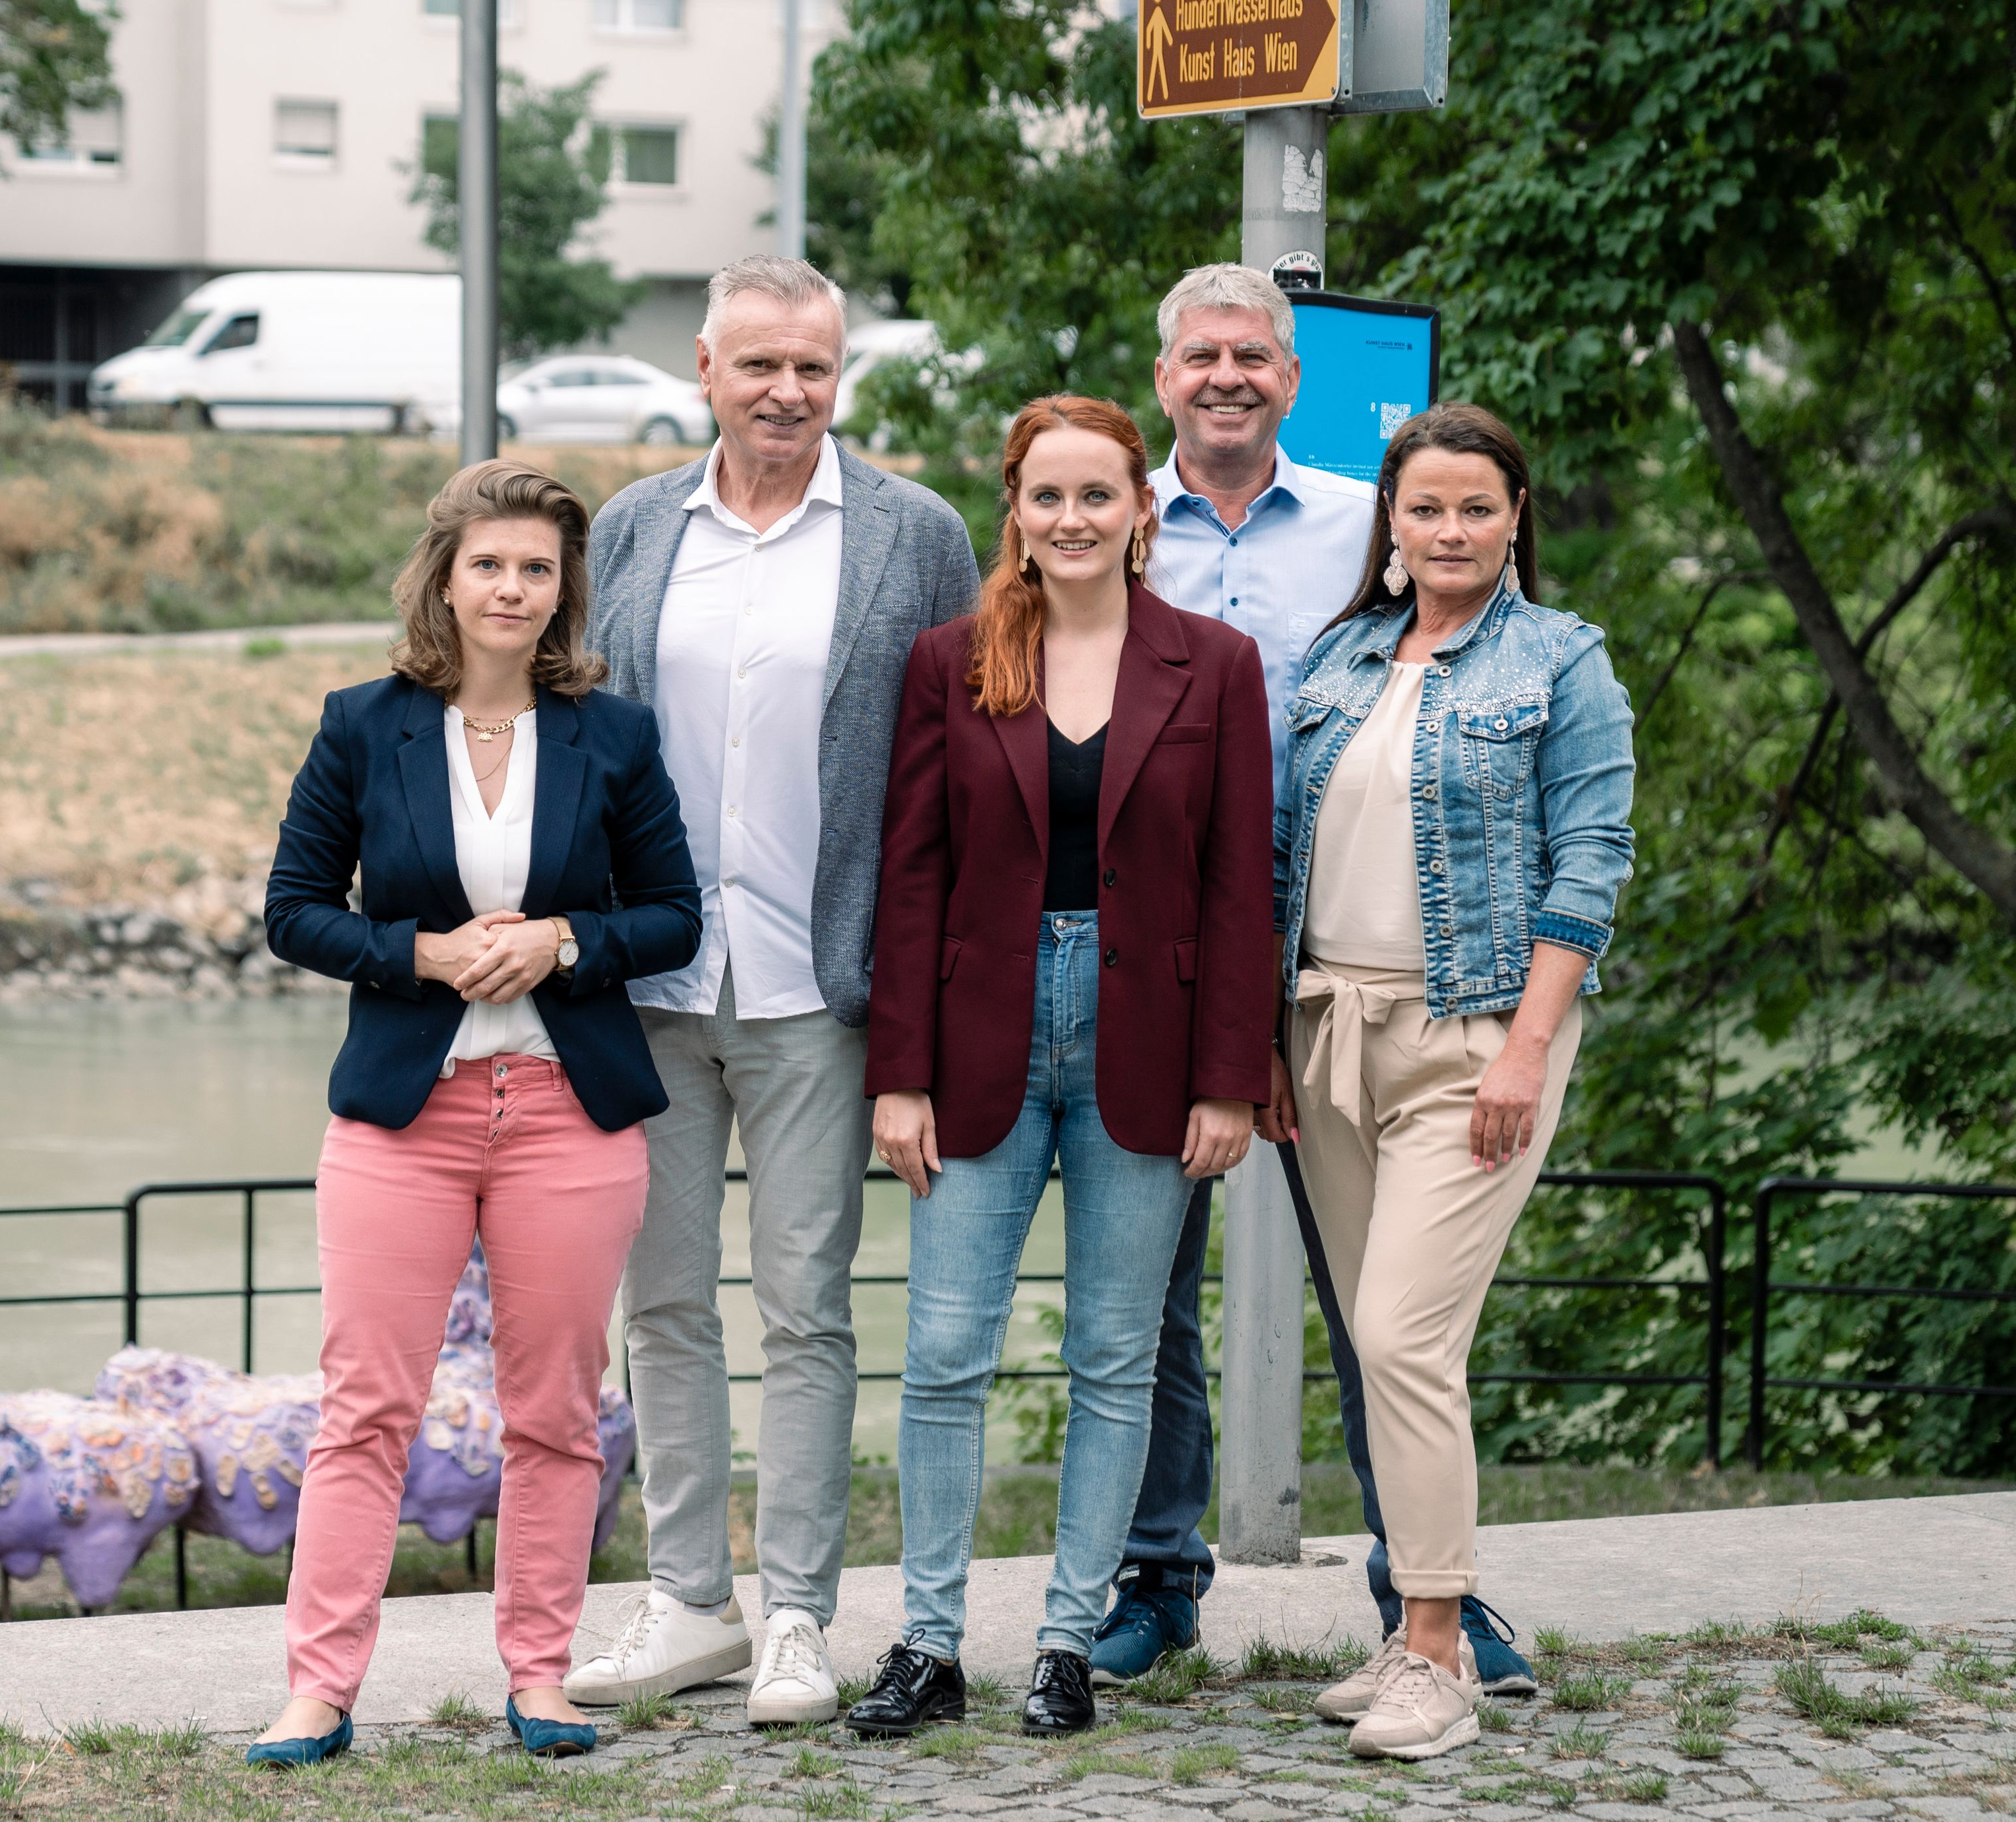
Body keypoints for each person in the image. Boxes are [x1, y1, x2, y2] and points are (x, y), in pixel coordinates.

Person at [1096, 262, 1541, 1702]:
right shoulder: (1104, 520)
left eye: (1253, 355)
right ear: (1163, 375)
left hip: (1337, 964)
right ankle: (1156, 1580)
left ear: (1292, 378)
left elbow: (1486, 692)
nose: (1226, 376)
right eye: (1200, 355)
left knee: (1381, 1307)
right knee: (1143, 1290)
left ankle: (1416, 1593)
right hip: (1152, 952)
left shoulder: (1375, 521)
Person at [569, 256, 980, 1727]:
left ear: (838, 373)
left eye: (811, 367)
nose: (787, 393)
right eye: (759, 366)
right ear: (703, 367)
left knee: (806, 1306)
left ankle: (798, 1612)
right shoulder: (628, 529)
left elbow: (959, 764)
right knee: (662, 1302)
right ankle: (691, 1600)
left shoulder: (913, 535)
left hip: (822, 981)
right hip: (650, 981)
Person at [251, 464, 703, 1768]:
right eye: (490, 564)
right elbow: (293, 910)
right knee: (362, 1413)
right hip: (405, 1117)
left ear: (564, 590)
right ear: (444, 575)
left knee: (556, 1414)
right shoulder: (361, 724)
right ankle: (318, 1692)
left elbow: (672, 915)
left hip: (570, 1114)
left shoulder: (609, 735)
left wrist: (564, 939)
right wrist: (423, 955)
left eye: (538, 569)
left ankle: (541, 1678)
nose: (512, 588)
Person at [849, 396, 1273, 1741]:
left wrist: (1230, 1078)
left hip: (1147, 1039)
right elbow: (909, 875)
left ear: (1142, 507)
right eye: (1047, 496)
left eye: (1098, 494)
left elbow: (1234, 885)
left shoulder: (1214, 665)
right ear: (1014, 513)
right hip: (980, 1029)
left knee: (1112, 1354)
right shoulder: (952, 660)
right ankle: (925, 1645)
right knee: (940, 1352)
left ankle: (1067, 1646)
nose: (1072, 518)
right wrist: (896, 1071)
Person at [1274, 404, 1635, 1761]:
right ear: (1391, 522)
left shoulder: (1561, 660)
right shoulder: (1339, 655)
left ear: (1514, 516)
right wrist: (1268, 1039)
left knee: (1401, 1338)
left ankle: (1437, 1650)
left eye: (1474, 508)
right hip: (1325, 1031)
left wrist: (1526, 1050)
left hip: (1475, 1038)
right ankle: (1408, 1629)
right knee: (1377, 1350)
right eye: (1423, 508)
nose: (1447, 531)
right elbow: (1277, 856)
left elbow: (1588, 860)